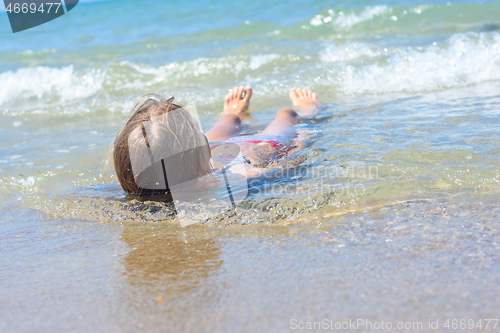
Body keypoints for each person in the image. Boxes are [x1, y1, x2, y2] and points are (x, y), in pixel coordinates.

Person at [112, 86, 320, 197]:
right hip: (255, 147)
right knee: (286, 116)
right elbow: (287, 165)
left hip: (204, 155)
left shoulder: (142, 185)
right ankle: (306, 109)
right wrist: (303, 139)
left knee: (229, 121)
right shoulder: (237, 176)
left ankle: (233, 113)